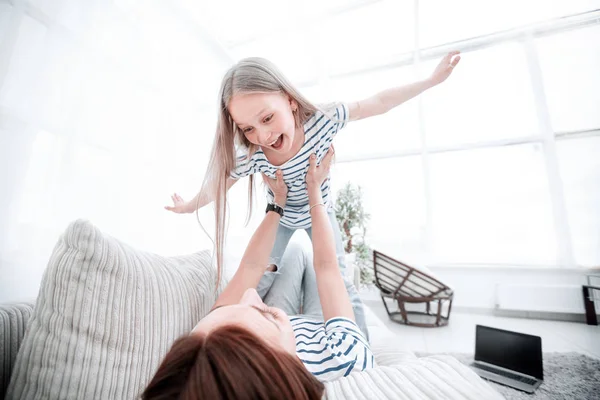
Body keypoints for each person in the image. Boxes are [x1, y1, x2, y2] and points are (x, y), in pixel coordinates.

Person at [165, 53, 461, 339]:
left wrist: (430, 81)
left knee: (339, 280)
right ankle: (250, 334)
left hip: (321, 212)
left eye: (267, 118)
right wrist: (190, 206)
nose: (263, 135)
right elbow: (219, 184)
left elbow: (378, 102)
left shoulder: (323, 120)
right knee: (261, 276)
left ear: (290, 100)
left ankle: (362, 350)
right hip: (280, 216)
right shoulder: (253, 155)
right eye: (248, 129)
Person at [144, 148, 374, 399]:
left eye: (225, 311)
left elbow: (251, 267)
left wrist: (278, 202)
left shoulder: (206, 346)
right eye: (264, 313)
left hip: (285, 330)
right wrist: (314, 190)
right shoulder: (345, 358)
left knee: (296, 250)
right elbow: (328, 268)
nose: (251, 294)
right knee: (325, 274)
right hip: (322, 332)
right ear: (286, 372)